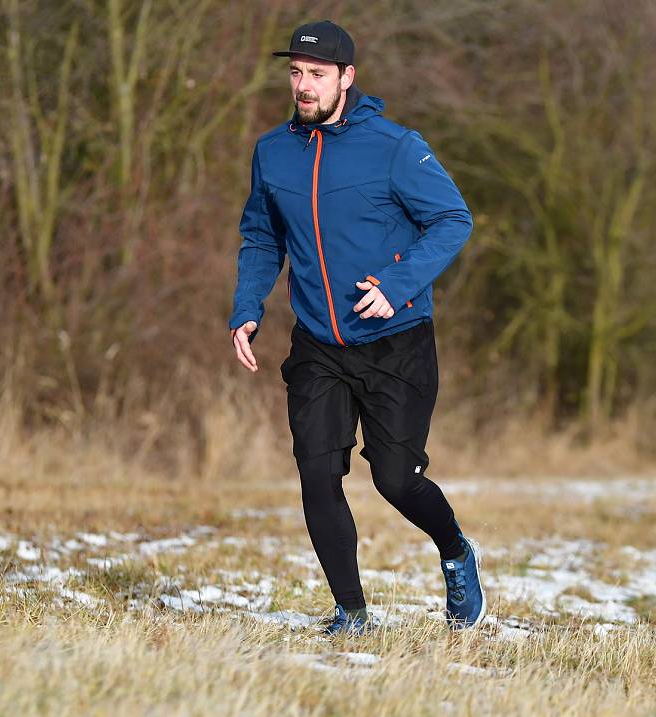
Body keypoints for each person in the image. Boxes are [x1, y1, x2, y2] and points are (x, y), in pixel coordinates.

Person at [228, 19, 485, 636]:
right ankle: (352, 612)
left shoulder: (396, 147)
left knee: (396, 479)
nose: (303, 85)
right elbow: (262, 236)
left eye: (316, 74)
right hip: (318, 344)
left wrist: (395, 288)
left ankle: (456, 552)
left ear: (347, 77)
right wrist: (247, 307)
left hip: (396, 343)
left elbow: (452, 219)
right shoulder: (273, 151)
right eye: (295, 72)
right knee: (318, 473)